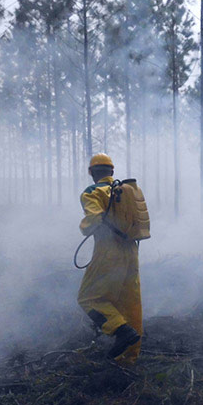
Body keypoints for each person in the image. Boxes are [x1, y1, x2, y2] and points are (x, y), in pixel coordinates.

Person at [77, 153, 142, 362]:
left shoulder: (92, 192)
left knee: (89, 298)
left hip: (108, 250)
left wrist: (85, 228)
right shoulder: (126, 191)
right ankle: (129, 358)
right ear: (112, 172)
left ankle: (120, 330)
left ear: (91, 173)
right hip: (131, 251)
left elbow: (95, 218)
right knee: (130, 302)